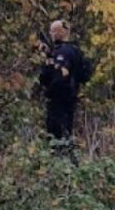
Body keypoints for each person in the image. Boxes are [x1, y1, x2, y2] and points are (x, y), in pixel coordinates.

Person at [38, 19, 93, 157]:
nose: (50, 34)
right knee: (66, 132)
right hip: (71, 99)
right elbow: (83, 75)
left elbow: (52, 78)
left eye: (52, 32)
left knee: (57, 136)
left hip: (58, 100)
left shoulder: (62, 53)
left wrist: (47, 65)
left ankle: (66, 166)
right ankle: (67, 165)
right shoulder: (76, 51)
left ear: (57, 34)